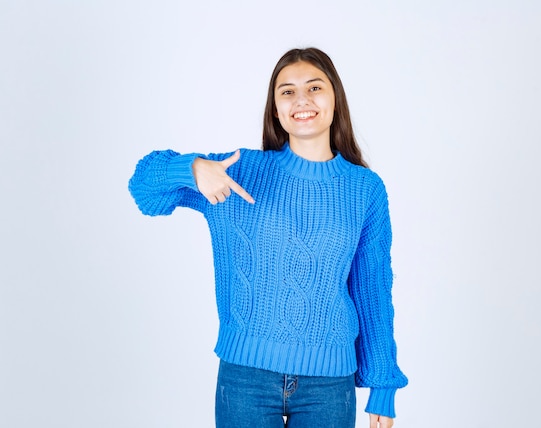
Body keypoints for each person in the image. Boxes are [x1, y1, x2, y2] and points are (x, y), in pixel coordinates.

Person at [128, 47, 408, 428]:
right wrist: (190, 168)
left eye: (314, 87)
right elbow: (143, 189)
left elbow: (372, 288)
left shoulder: (365, 189)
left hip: (329, 385)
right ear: (275, 110)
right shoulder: (237, 170)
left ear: (335, 99)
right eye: (287, 92)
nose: (302, 100)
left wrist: (383, 387)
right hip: (246, 377)